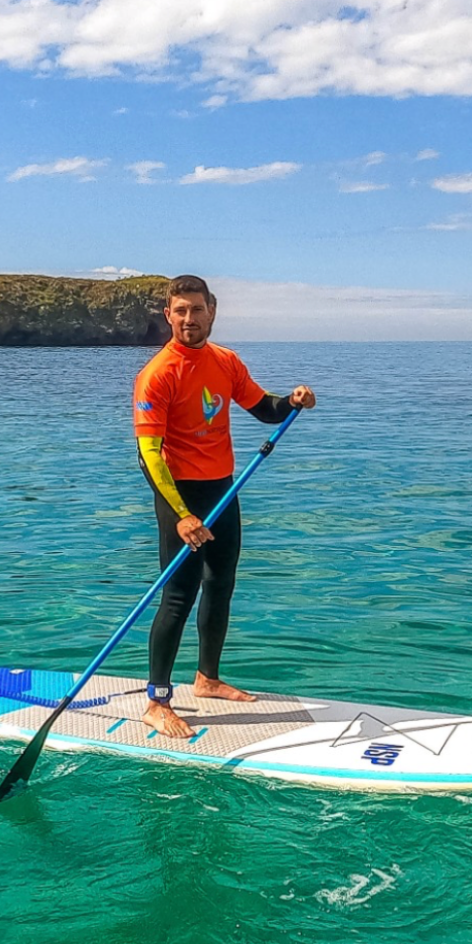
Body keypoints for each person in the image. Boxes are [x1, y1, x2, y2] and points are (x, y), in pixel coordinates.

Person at [132, 274, 316, 738]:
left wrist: (291, 401)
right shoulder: (158, 374)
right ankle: (157, 700)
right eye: (180, 311)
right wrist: (181, 516)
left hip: (224, 489)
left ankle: (207, 679)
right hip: (180, 496)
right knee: (178, 596)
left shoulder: (225, 362)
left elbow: (263, 407)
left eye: (196, 309)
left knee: (221, 584)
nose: (189, 319)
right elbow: (148, 455)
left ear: (212, 310)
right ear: (167, 314)